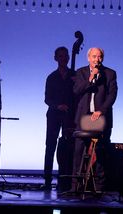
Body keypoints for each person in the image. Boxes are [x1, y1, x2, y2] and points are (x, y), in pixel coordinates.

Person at [72, 47, 118, 192]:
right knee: (79, 151)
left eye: (99, 57)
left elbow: (112, 95)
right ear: (88, 58)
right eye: (94, 56)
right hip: (84, 116)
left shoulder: (110, 73)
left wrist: (101, 111)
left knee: (100, 152)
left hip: (101, 117)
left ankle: (99, 188)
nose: (96, 59)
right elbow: (77, 90)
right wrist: (91, 78)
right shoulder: (81, 72)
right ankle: (76, 186)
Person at [43, 46, 76, 190]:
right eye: (60, 56)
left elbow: (79, 95)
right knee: (50, 146)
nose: (63, 58)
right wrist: (58, 106)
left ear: (69, 57)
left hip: (69, 115)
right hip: (54, 115)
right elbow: (47, 99)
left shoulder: (74, 75)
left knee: (68, 147)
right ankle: (48, 181)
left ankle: (65, 179)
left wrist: (77, 83)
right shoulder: (51, 77)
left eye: (65, 55)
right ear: (56, 58)